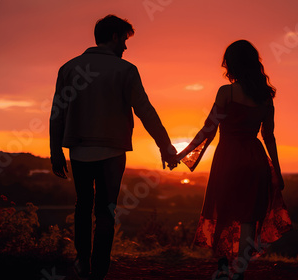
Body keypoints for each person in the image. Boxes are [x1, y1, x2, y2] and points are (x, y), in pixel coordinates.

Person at [49, 15, 178, 280]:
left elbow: (56, 113)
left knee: (83, 207)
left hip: (79, 150)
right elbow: (146, 111)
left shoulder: (69, 68)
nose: (126, 47)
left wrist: (55, 150)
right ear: (115, 37)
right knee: (106, 210)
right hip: (113, 152)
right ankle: (99, 271)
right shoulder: (125, 70)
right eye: (125, 40)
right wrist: (165, 146)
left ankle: (82, 263)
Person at [175, 40, 292, 279]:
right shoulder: (265, 97)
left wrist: (183, 154)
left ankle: (221, 267)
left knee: (223, 212)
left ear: (232, 65)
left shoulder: (225, 92)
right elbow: (269, 137)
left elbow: (208, 130)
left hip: (228, 159)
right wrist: (277, 173)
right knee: (249, 218)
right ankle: (239, 271)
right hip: (255, 159)